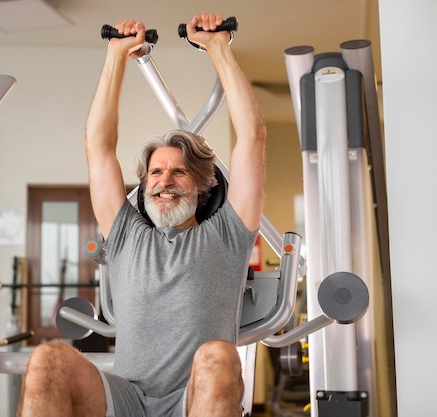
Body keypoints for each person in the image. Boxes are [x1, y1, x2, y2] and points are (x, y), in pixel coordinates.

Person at [18, 12, 266, 417]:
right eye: (155, 172)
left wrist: (218, 47)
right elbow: (98, 146)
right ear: (144, 184)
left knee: (219, 357)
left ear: (202, 185)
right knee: (49, 361)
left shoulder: (227, 233)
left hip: (194, 401)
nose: (164, 180)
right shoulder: (125, 234)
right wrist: (116, 55)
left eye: (178, 171)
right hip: (126, 399)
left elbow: (252, 136)